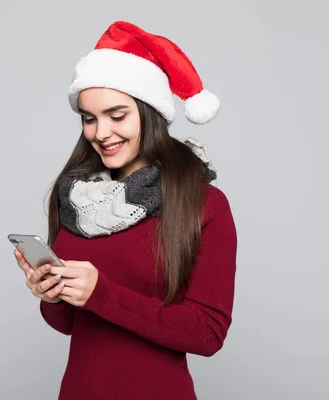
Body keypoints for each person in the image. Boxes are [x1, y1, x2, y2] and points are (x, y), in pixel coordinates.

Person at [13, 20, 237, 400]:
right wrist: (52, 295)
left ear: (150, 113)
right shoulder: (74, 198)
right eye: (89, 118)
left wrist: (101, 292)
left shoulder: (203, 203)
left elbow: (207, 333)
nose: (101, 132)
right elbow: (70, 324)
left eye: (117, 115)